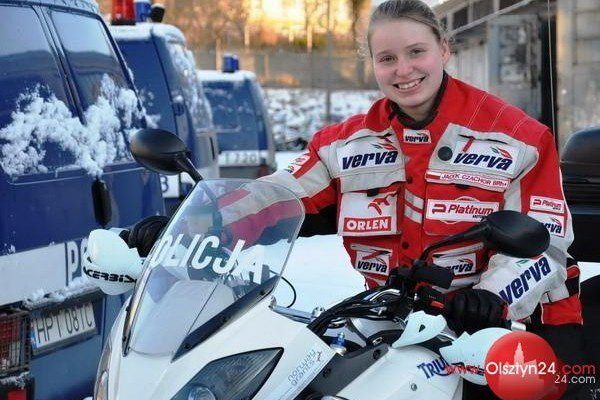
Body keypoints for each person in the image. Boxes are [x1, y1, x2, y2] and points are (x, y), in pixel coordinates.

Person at [110, 0, 587, 397]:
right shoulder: (345, 144)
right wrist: (192, 225)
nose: (403, 70)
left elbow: (545, 243)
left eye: (416, 52)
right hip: (397, 324)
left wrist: (489, 297)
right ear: (373, 64)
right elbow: (275, 195)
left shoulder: (519, 138)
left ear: (444, 49)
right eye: (387, 58)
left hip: (514, 326)